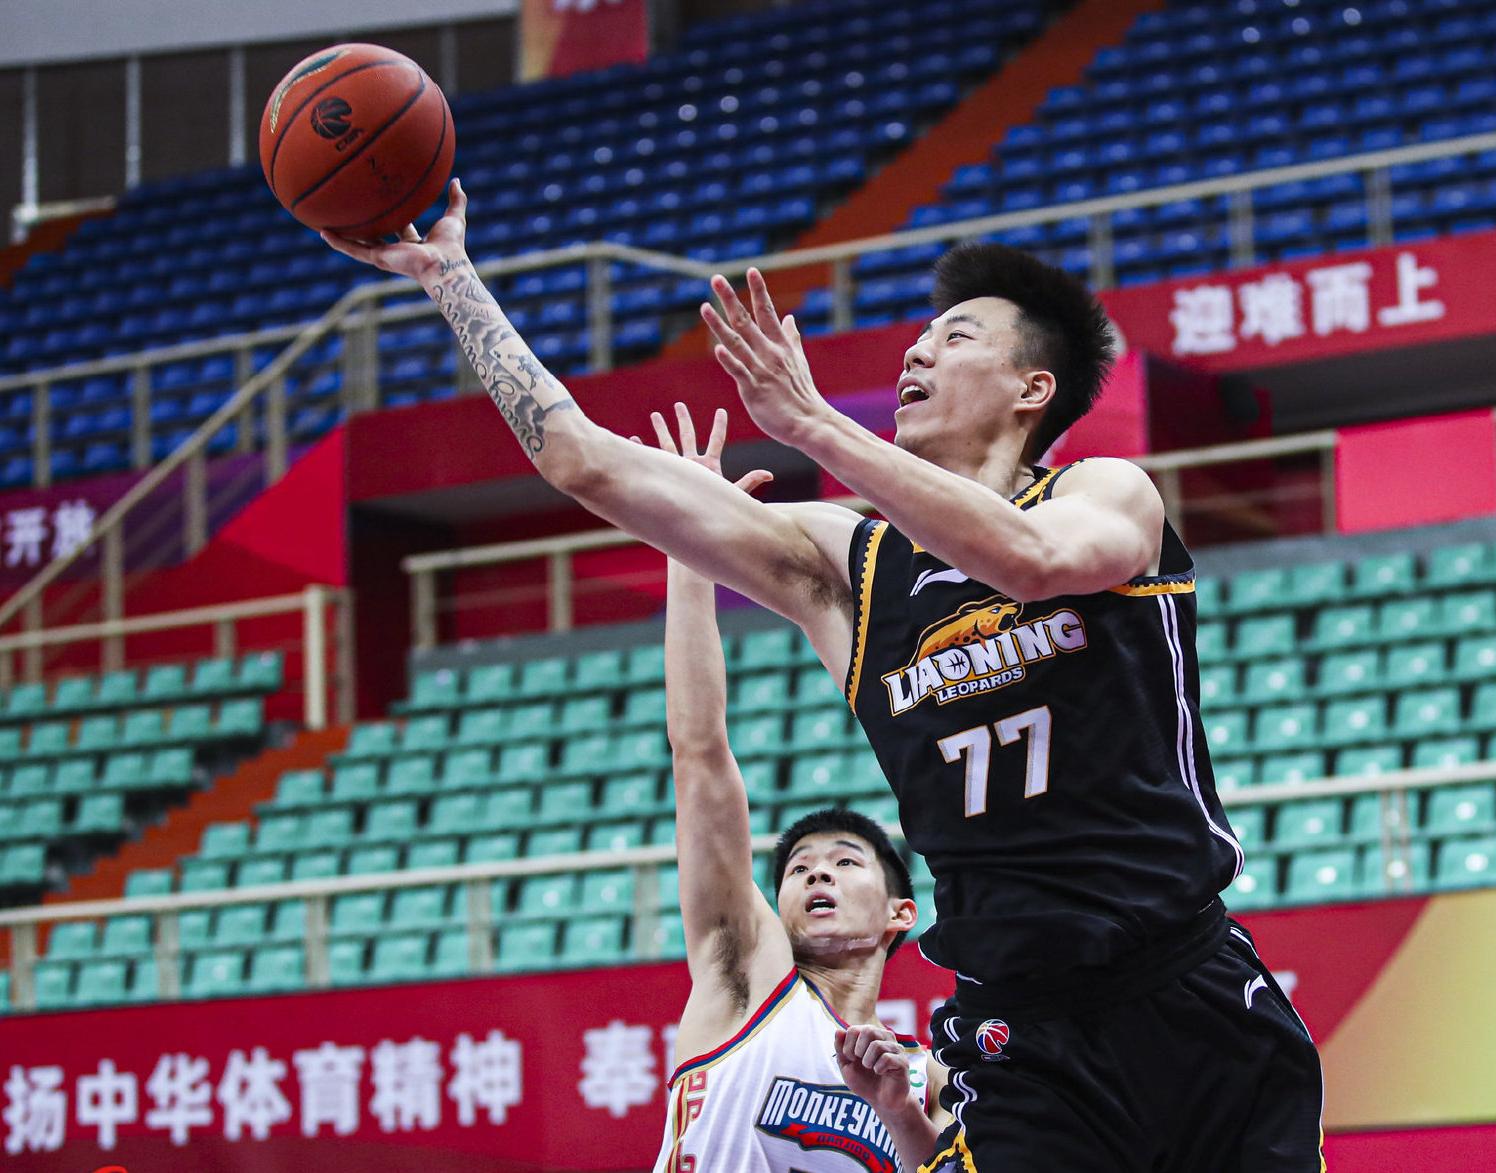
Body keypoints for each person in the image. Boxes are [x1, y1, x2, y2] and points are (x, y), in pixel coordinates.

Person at [324, 182, 1323, 1171]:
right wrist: (450, 279)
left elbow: (1029, 561)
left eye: (956, 337)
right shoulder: (846, 567)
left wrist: (812, 424)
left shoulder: (1104, 492)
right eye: (917, 337)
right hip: (1023, 1037)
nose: (917, 352)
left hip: (1191, 992)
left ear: (1032, 389)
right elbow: (584, 463)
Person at [644, 406, 946, 1172]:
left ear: (900, 913)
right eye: (799, 868)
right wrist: (689, 549)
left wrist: (903, 1114)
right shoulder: (746, 976)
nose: (815, 874)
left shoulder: (924, 1079)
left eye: (845, 861)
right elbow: (699, 754)